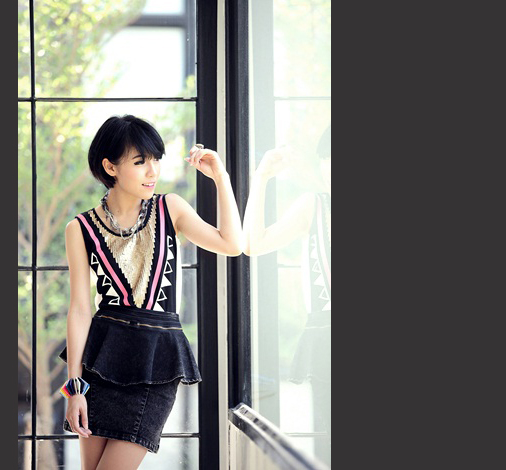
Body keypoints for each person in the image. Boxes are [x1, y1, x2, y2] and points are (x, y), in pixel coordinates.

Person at [58, 114, 242, 470]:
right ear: (110, 167)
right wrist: (74, 390)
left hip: (156, 359)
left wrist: (221, 178)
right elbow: (80, 310)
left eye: (156, 159)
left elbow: (231, 244)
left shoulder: (169, 208)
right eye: (140, 161)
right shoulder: (79, 228)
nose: (152, 170)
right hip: (101, 361)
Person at [242, 125, 331, 453]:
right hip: (327, 341)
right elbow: (253, 244)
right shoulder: (315, 207)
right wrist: (261, 177)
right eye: (326, 160)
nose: (329, 169)